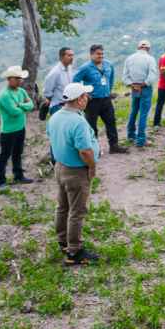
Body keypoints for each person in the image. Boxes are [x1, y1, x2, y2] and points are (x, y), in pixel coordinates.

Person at [47, 81, 100, 265]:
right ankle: (74, 251)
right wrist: (92, 166)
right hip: (76, 172)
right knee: (77, 211)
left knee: (62, 207)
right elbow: (84, 151)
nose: (88, 99)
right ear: (79, 100)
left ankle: (63, 241)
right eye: (86, 96)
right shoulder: (77, 122)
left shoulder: (55, 117)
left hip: (60, 167)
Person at [72, 45, 128, 154]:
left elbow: (110, 79)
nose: (100, 56)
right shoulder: (85, 68)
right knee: (92, 126)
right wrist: (83, 93)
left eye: (102, 54)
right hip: (92, 101)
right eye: (98, 54)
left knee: (111, 122)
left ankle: (114, 146)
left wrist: (109, 91)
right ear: (91, 54)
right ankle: (94, 149)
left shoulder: (108, 65)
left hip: (106, 100)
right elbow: (75, 80)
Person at [0, 65, 36, 188]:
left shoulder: (21, 91)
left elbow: (31, 105)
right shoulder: (4, 95)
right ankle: (1, 180)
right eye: (17, 78)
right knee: (5, 155)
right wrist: (23, 106)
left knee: (18, 153)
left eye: (20, 78)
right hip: (8, 131)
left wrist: (19, 105)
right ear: (9, 79)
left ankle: (18, 175)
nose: (20, 80)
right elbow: (14, 112)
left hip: (20, 128)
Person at [123, 39, 158, 148]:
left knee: (134, 111)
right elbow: (152, 76)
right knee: (143, 113)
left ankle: (131, 135)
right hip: (145, 88)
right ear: (148, 49)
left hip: (134, 87)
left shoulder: (129, 58)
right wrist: (143, 85)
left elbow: (125, 77)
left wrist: (133, 85)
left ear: (138, 47)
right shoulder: (150, 59)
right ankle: (141, 140)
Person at [39, 46, 75, 121]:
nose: (72, 57)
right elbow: (47, 92)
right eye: (69, 55)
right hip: (58, 107)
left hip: (69, 105)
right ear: (61, 57)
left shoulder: (69, 68)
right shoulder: (55, 72)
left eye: (72, 55)